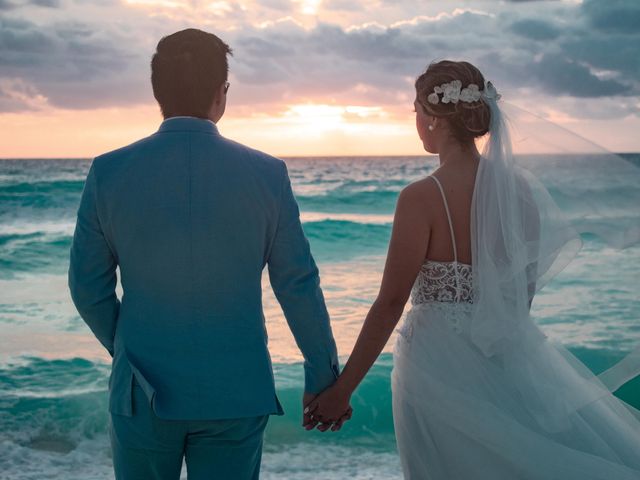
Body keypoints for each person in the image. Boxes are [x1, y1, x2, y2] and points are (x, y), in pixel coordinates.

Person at [304, 60, 640, 479]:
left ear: (434, 119)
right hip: (507, 360)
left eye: (415, 111)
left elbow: (390, 303)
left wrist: (344, 388)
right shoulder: (520, 192)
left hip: (434, 365)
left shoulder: (420, 197)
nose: (416, 122)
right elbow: (521, 297)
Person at [68, 28, 345, 480]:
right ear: (223, 93)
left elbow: (87, 288)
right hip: (236, 389)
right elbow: (297, 284)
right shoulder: (267, 174)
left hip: (141, 391)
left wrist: (126, 349)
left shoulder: (108, 171)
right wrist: (321, 374)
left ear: (157, 92)